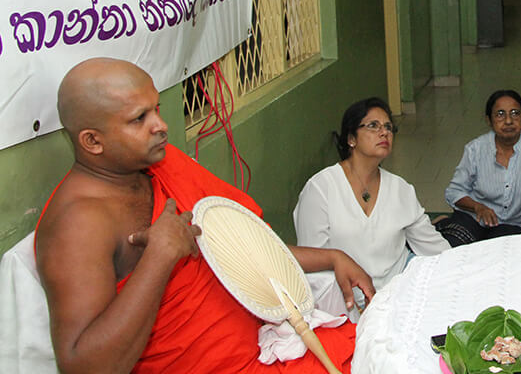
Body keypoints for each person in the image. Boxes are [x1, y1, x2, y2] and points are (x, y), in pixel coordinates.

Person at [35, 58, 373, 374]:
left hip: (268, 343)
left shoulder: (161, 164)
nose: (161, 126)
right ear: (93, 141)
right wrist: (160, 257)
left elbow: (242, 247)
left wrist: (331, 256)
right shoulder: (78, 223)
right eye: (140, 119)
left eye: (157, 109)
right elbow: (85, 365)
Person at [294, 98, 449, 295]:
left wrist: (464, 265)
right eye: (373, 126)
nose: (384, 132)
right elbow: (313, 260)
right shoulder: (321, 188)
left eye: (388, 127)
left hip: (398, 290)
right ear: (351, 139)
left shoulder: (400, 189)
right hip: (344, 297)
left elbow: (432, 245)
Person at [439, 90, 521, 246]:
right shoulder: (475, 149)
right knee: (453, 247)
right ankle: (446, 224)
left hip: (514, 224)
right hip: (474, 218)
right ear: (488, 120)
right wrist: (478, 207)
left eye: (515, 113)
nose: (508, 121)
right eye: (500, 114)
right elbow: (454, 192)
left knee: (499, 255)